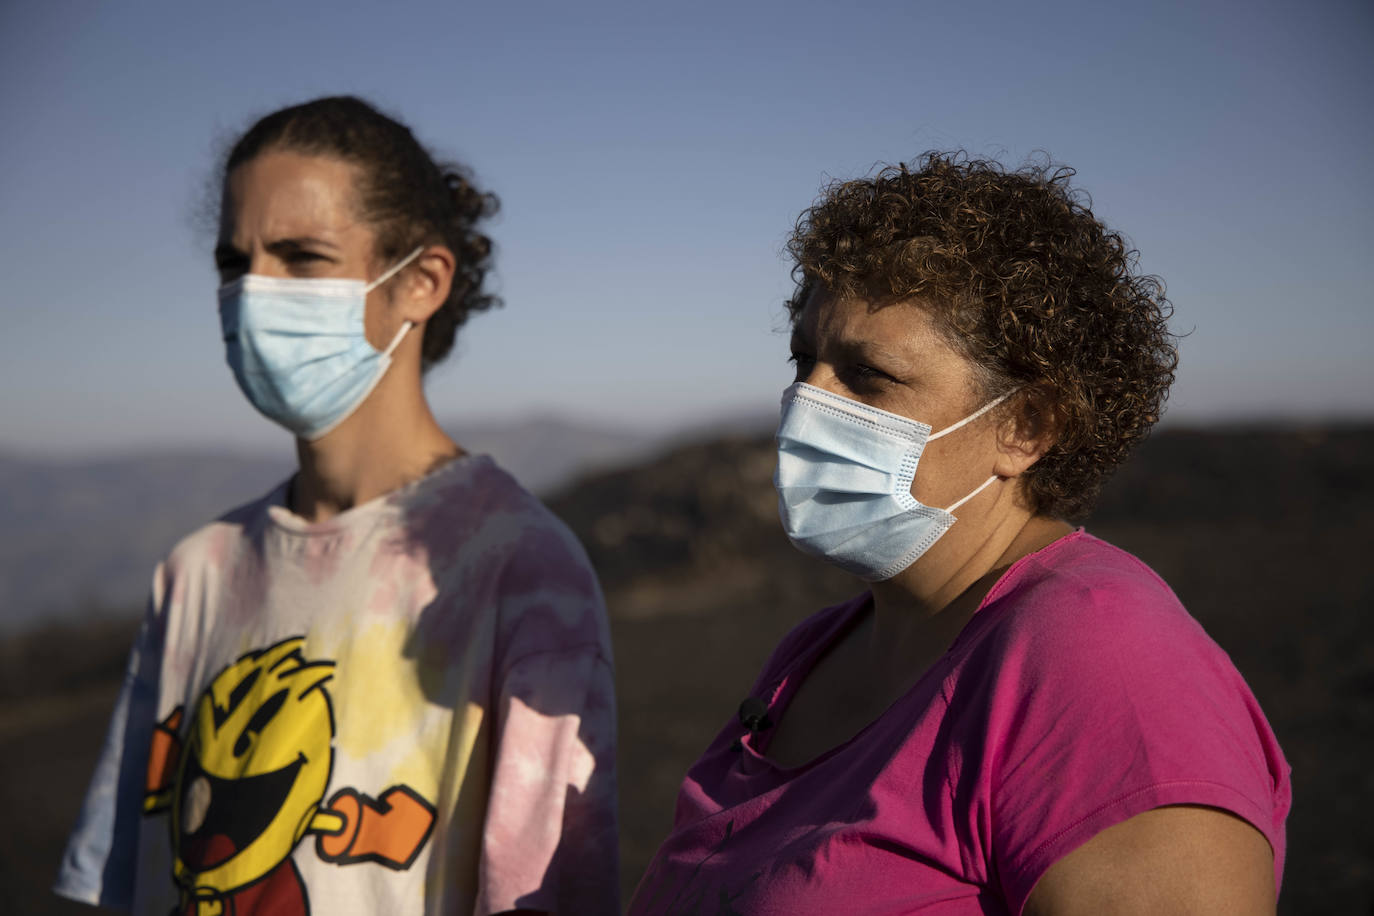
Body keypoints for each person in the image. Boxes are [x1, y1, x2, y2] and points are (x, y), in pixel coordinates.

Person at [629, 154, 1290, 915]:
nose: (806, 401)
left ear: (1025, 425)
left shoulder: (1102, 659)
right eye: (804, 358)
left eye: (869, 375)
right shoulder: (817, 650)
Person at [55, 96, 619, 916]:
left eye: (300, 256)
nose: (253, 293)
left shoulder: (522, 571)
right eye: (232, 261)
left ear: (420, 283)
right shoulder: (196, 570)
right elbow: (123, 872)